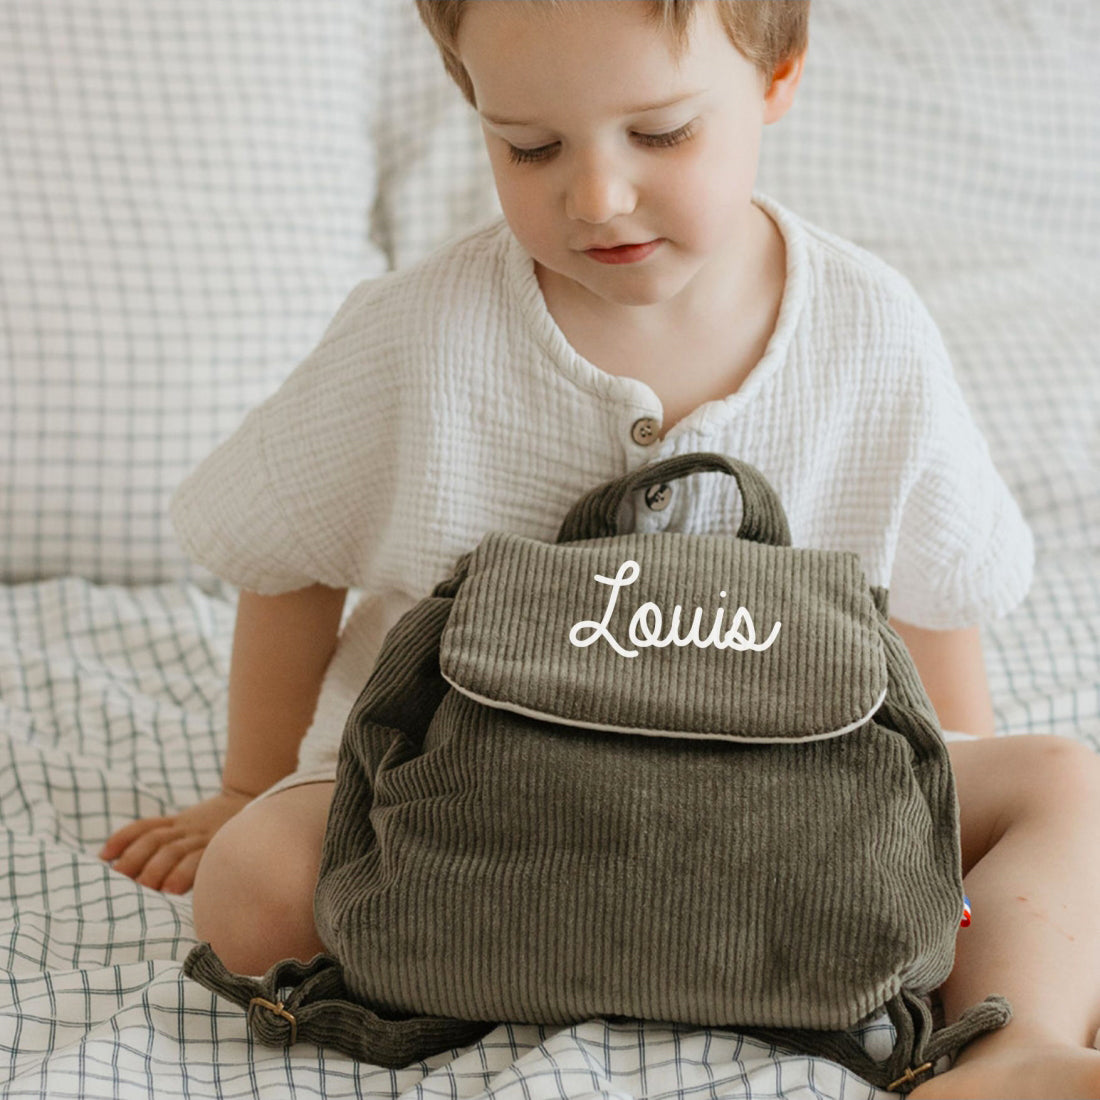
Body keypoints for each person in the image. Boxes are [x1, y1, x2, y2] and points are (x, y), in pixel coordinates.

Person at [98, 2, 1100, 1095]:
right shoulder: (417, 330)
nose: (596, 196)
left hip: (789, 803)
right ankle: (553, 945)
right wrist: (248, 785)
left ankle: (1011, 1044)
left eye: (660, 134)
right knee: (250, 886)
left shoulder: (873, 328)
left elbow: (938, 589)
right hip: (466, 806)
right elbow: (280, 550)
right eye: (528, 146)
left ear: (776, 76)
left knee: (1065, 783)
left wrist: (936, 835)